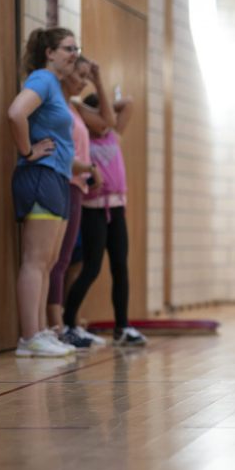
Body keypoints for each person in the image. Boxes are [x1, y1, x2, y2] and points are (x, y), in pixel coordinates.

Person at [7, 27, 79, 357]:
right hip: (40, 174)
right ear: (49, 53)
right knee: (35, 260)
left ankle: (39, 334)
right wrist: (27, 152)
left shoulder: (57, 88)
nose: (74, 53)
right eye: (67, 48)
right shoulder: (42, 78)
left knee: (47, 261)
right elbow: (16, 112)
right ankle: (29, 337)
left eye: (76, 48)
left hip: (57, 177)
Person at [62, 85, 148, 347]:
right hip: (93, 210)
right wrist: (87, 110)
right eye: (97, 117)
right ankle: (68, 323)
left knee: (120, 267)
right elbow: (77, 107)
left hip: (117, 209)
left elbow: (129, 102)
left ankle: (122, 326)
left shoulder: (113, 134)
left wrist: (103, 109)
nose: (104, 121)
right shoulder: (83, 139)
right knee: (92, 267)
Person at [48, 56, 107, 349]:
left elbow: (108, 122)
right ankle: (57, 327)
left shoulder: (73, 107)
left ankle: (66, 324)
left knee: (70, 259)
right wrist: (88, 169)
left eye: (87, 76)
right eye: (80, 74)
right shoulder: (58, 106)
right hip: (66, 182)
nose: (83, 81)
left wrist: (98, 81)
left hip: (75, 187)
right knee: (57, 260)